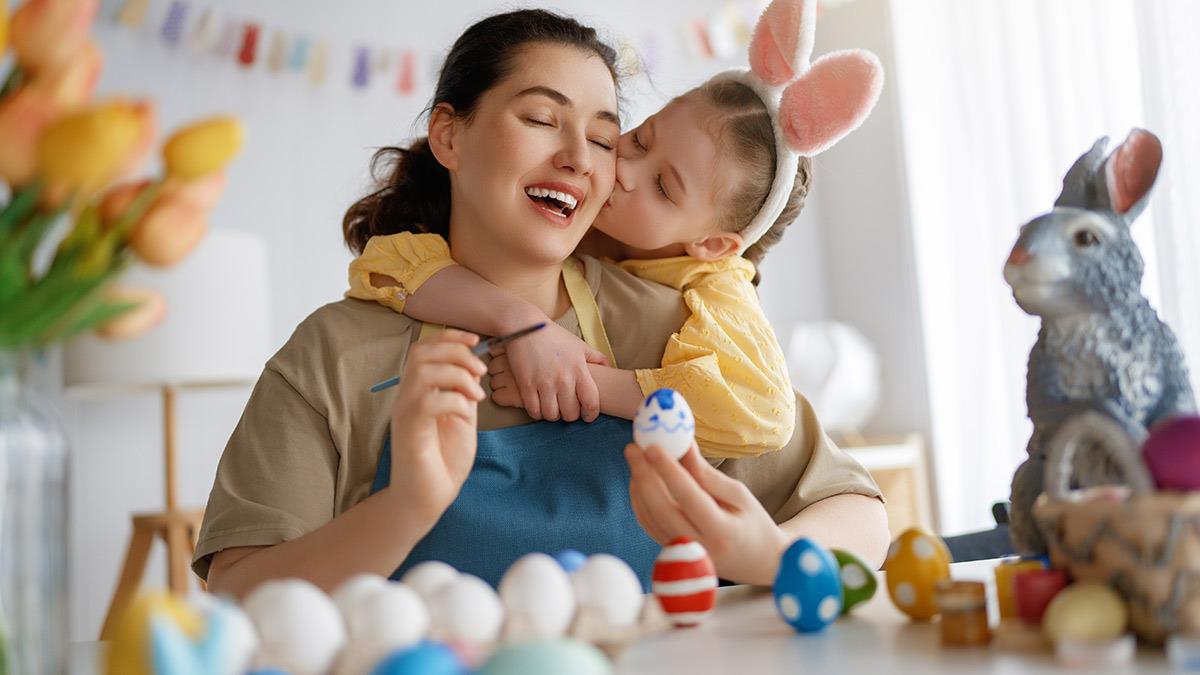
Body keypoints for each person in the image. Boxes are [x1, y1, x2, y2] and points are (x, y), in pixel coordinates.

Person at [195, 8, 887, 599]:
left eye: (605, 139)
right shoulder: (333, 355)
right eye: (540, 119)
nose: (579, 159)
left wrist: (764, 554)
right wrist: (405, 508)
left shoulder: (669, 331)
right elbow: (240, 592)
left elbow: (858, 514)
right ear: (449, 136)